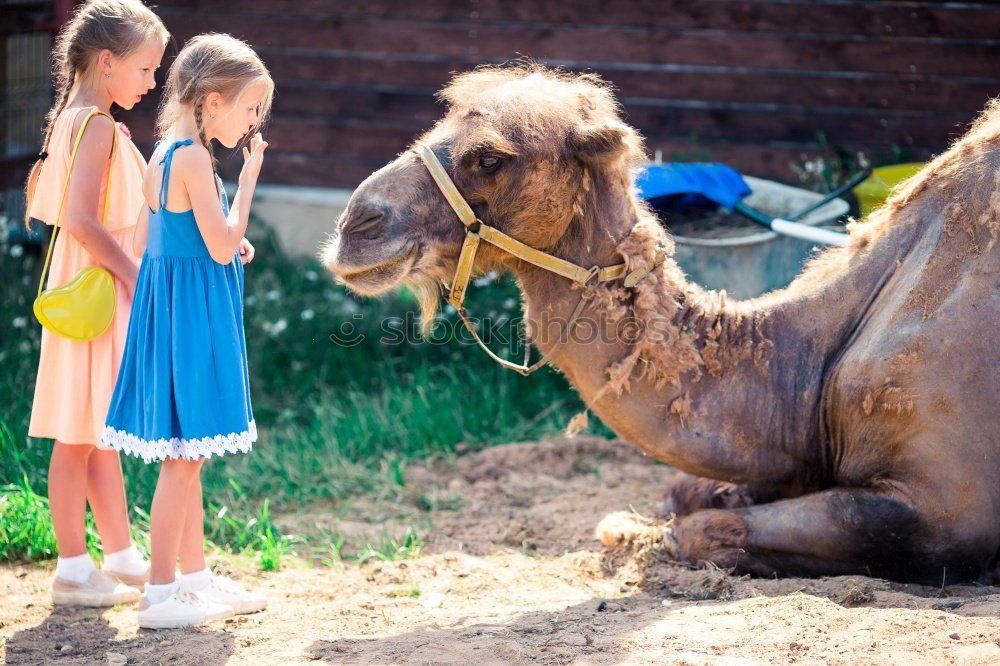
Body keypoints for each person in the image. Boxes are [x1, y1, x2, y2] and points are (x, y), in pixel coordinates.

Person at [102, 32, 273, 629]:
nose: (254, 124)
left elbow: (172, 241)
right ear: (212, 100)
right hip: (194, 321)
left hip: (174, 313)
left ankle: (193, 578)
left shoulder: (166, 152)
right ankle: (159, 593)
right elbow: (221, 243)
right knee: (183, 457)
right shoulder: (197, 158)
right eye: (250, 108)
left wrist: (225, 241)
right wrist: (249, 178)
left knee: (190, 451)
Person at [23, 0, 169, 607]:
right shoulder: (96, 124)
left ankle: (120, 555)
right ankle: (73, 570)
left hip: (91, 282)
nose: (153, 82)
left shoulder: (79, 118)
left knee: (97, 427)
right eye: (144, 69)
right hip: (101, 288)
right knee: (77, 435)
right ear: (107, 62)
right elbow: (82, 219)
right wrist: (135, 274)